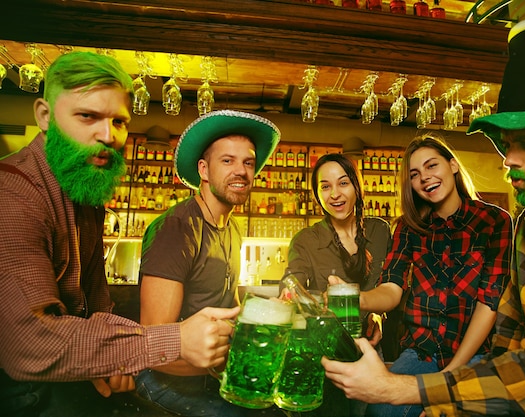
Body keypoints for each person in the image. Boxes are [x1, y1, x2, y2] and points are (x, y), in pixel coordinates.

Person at [321, 15, 525, 416]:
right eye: (506, 145)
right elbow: (509, 335)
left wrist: (407, 390)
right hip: (465, 370)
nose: (509, 161)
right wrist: (447, 396)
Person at [0, 51, 242, 417]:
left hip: (70, 377)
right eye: (88, 116)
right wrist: (173, 340)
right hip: (20, 390)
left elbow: (96, 305)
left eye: (119, 121)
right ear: (44, 116)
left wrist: (109, 361)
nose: (108, 135)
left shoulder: (85, 195)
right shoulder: (14, 193)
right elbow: (29, 341)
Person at [339, 134, 512, 417]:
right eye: (415, 174)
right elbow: (392, 288)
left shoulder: (494, 221)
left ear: (453, 166)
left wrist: (449, 376)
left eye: (432, 166)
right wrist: (358, 299)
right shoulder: (408, 228)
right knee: (379, 413)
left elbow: (489, 302)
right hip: (422, 352)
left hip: (476, 354)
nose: (425, 178)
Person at [135, 110, 281, 416]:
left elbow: (232, 305)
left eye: (248, 162)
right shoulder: (176, 229)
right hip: (168, 382)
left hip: (214, 378)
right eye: (227, 161)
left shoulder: (235, 228)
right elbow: (154, 346)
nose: (240, 171)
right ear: (203, 169)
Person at [285, 152, 391, 417]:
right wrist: (310, 300)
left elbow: (390, 284)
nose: (335, 194)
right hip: (325, 355)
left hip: (369, 349)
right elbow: (290, 290)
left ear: (357, 186)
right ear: (317, 193)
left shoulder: (380, 231)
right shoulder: (306, 241)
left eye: (343, 183)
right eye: (325, 186)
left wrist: (378, 313)